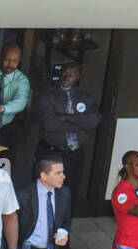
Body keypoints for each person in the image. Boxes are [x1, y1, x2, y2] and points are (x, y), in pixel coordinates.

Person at [33, 61, 101, 199]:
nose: (66, 77)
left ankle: (65, 221)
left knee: (70, 192)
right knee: (45, 191)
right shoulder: (47, 95)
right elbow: (49, 124)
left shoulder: (85, 97)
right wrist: (80, 124)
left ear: (77, 76)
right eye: (64, 73)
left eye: (71, 74)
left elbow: (93, 121)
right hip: (51, 151)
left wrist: (66, 117)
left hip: (74, 154)